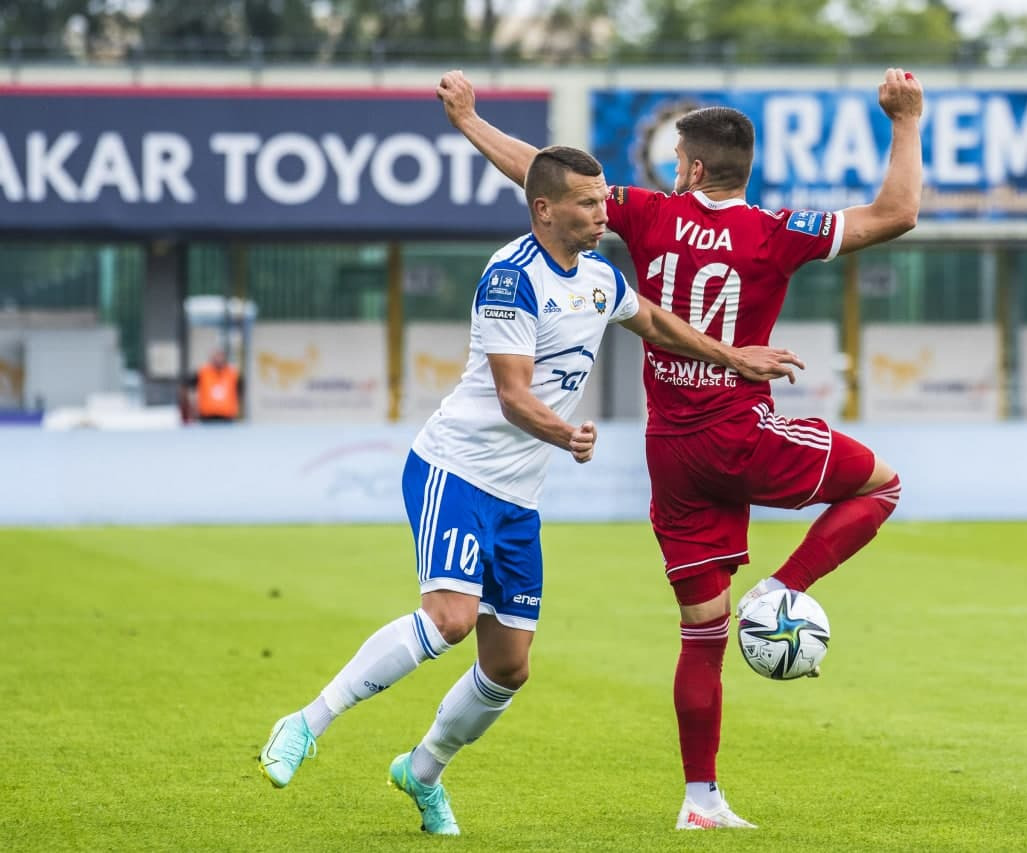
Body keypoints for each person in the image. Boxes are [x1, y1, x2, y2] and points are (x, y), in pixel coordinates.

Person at [256, 145, 803, 836]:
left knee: (508, 668)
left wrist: (733, 356)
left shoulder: (600, 277)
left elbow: (655, 322)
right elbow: (514, 396)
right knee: (450, 619)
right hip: (456, 470)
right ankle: (307, 722)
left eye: (603, 200)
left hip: (518, 497)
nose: (603, 213)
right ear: (544, 209)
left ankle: (422, 770)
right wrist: (566, 433)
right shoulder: (511, 279)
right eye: (587, 203)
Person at [437, 68, 923, 829]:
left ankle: (701, 799)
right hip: (742, 434)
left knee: (702, 634)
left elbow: (542, 175)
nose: (670, 171)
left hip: (670, 451)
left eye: (675, 161)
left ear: (693, 168)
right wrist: (905, 119)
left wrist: (469, 120)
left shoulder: (649, 214)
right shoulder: (778, 231)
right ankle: (780, 591)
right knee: (883, 485)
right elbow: (897, 213)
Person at [189, 346, 241, 422]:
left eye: (220, 356)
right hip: (206, 415)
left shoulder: (232, 373)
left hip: (227, 415)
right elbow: (191, 389)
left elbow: (240, 392)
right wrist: (193, 407)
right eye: (216, 356)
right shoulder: (202, 372)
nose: (218, 359)